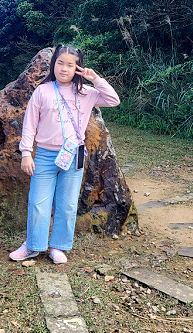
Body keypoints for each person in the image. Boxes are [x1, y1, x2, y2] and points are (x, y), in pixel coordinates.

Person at [10, 44, 120, 264]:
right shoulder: (43, 91)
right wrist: (25, 154)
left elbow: (113, 100)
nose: (64, 68)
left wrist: (95, 79)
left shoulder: (86, 93)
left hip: (74, 156)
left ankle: (57, 246)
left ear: (78, 67)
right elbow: (30, 125)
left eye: (71, 65)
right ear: (54, 65)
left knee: (67, 204)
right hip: (44, 155)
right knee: (38, 203)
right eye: (60, 63)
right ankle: (33, 246)